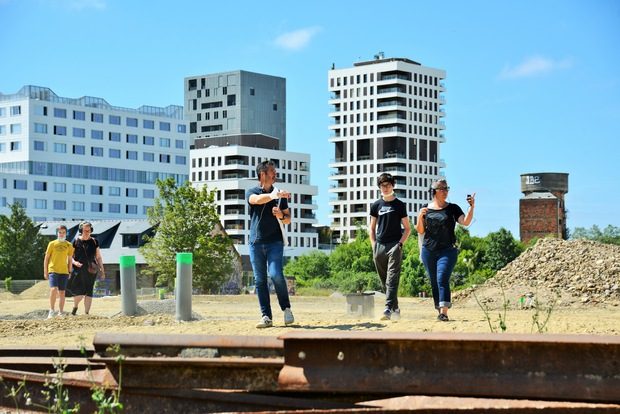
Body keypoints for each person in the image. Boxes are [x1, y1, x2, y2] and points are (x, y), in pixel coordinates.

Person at [416, 179, 475, 321]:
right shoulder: (425, 209)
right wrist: (420, 216)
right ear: (434, 191)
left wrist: (471, 207)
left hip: (447, 250)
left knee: (442, 277)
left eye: (446, 188)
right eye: (441, 188)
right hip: (428, 250)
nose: (445, 191)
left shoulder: (453, 208)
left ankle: (444, 312)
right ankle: (439, 309)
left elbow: (465, 222)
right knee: (434, 280)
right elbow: (420, 230)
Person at [246, 160, 294, 328]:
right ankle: (266, 316)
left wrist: (280, 214)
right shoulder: (251, 192)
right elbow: (256, 200)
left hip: (275, 242)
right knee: (259, 280)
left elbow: (288, 219)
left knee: (275, 275)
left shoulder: (280, 195)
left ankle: (287, 309)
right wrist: (274, 196)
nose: (275, 173)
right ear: (262, 175)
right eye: (272, 171)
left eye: (275, 170)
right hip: (255, 244)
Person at [369, 173, 411, 321]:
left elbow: (407, 228)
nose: (385, 188)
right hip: (379, 245)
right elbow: (372, 228)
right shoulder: (376, 205)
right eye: (382, 185)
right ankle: (395, 308)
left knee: (392, 277)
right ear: (379, 187)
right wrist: (374, 245)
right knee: (384, 280)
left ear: (393, 185)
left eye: (388, 185)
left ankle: (387, 308)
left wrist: (400, 244)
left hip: (395, 244)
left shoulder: (399, 205)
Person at [69, 221, 104, 315]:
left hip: (91, 271)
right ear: (81, 230)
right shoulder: (76, 241)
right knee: (79, 294)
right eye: (85, 230)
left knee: (89, 292)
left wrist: (102, 270)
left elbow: (98, 257)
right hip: (78, 270)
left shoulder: (94, 241)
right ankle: (75, 306)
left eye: (89, 230)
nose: (87, 232)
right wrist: (74, 262)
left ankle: (87, 313)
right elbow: (70, 256)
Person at [43, 225, 74, 319]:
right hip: (53, 270)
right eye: (60, 232)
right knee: (53, 289)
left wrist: (70, 271)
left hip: (64, 272)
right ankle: (51, 311)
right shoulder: (51, 244)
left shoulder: (69, 245)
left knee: (62, 292)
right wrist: (45, 271)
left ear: (66, 233)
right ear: (57, 233)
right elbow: (46, 258)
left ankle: (60, 312)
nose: (61, 234)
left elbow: (70, 259)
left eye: (63, 232)